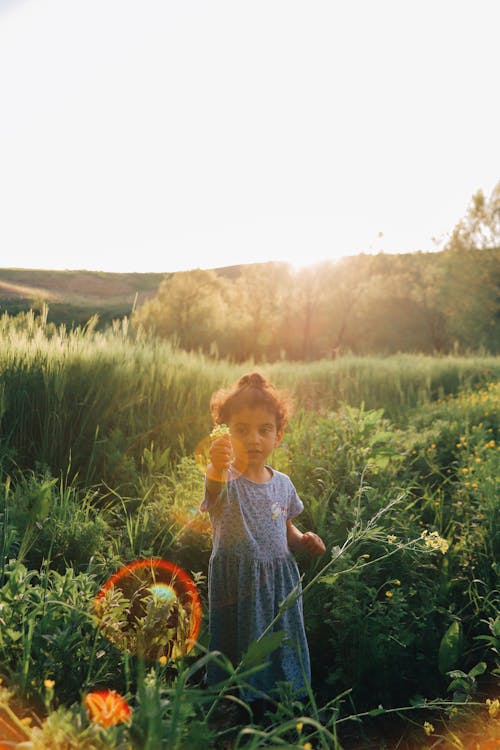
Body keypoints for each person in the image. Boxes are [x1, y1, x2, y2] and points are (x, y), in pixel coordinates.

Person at [201, 371, 325, 718]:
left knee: (280, 638)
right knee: (244, 642)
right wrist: (214, 463)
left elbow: (285, 525)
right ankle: (242, 704)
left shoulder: (283, 483)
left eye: (264, 429)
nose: (253, 439)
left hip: (279, 581)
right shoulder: (225, 479)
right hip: (240, 584)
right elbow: (212, 490)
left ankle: (284, 697)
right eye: (241, 430)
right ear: (225, 434)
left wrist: (303, 540)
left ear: (278, 435)